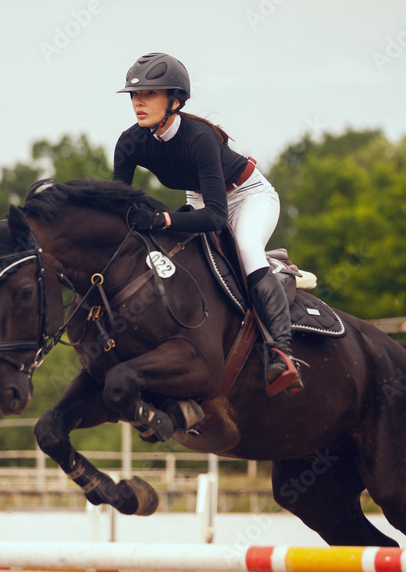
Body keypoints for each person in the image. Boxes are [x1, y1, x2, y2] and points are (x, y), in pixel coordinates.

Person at [112, 52, 303, 396]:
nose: (138, 103)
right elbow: (118, 206)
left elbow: (216, 217)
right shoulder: (129, 143)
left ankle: (282, 352)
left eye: (148, 95)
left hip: (248, 196)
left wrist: (161, 218)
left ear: (176, 100)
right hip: (200, 199)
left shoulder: (199, 138)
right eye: (134, 95)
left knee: (246, 247)